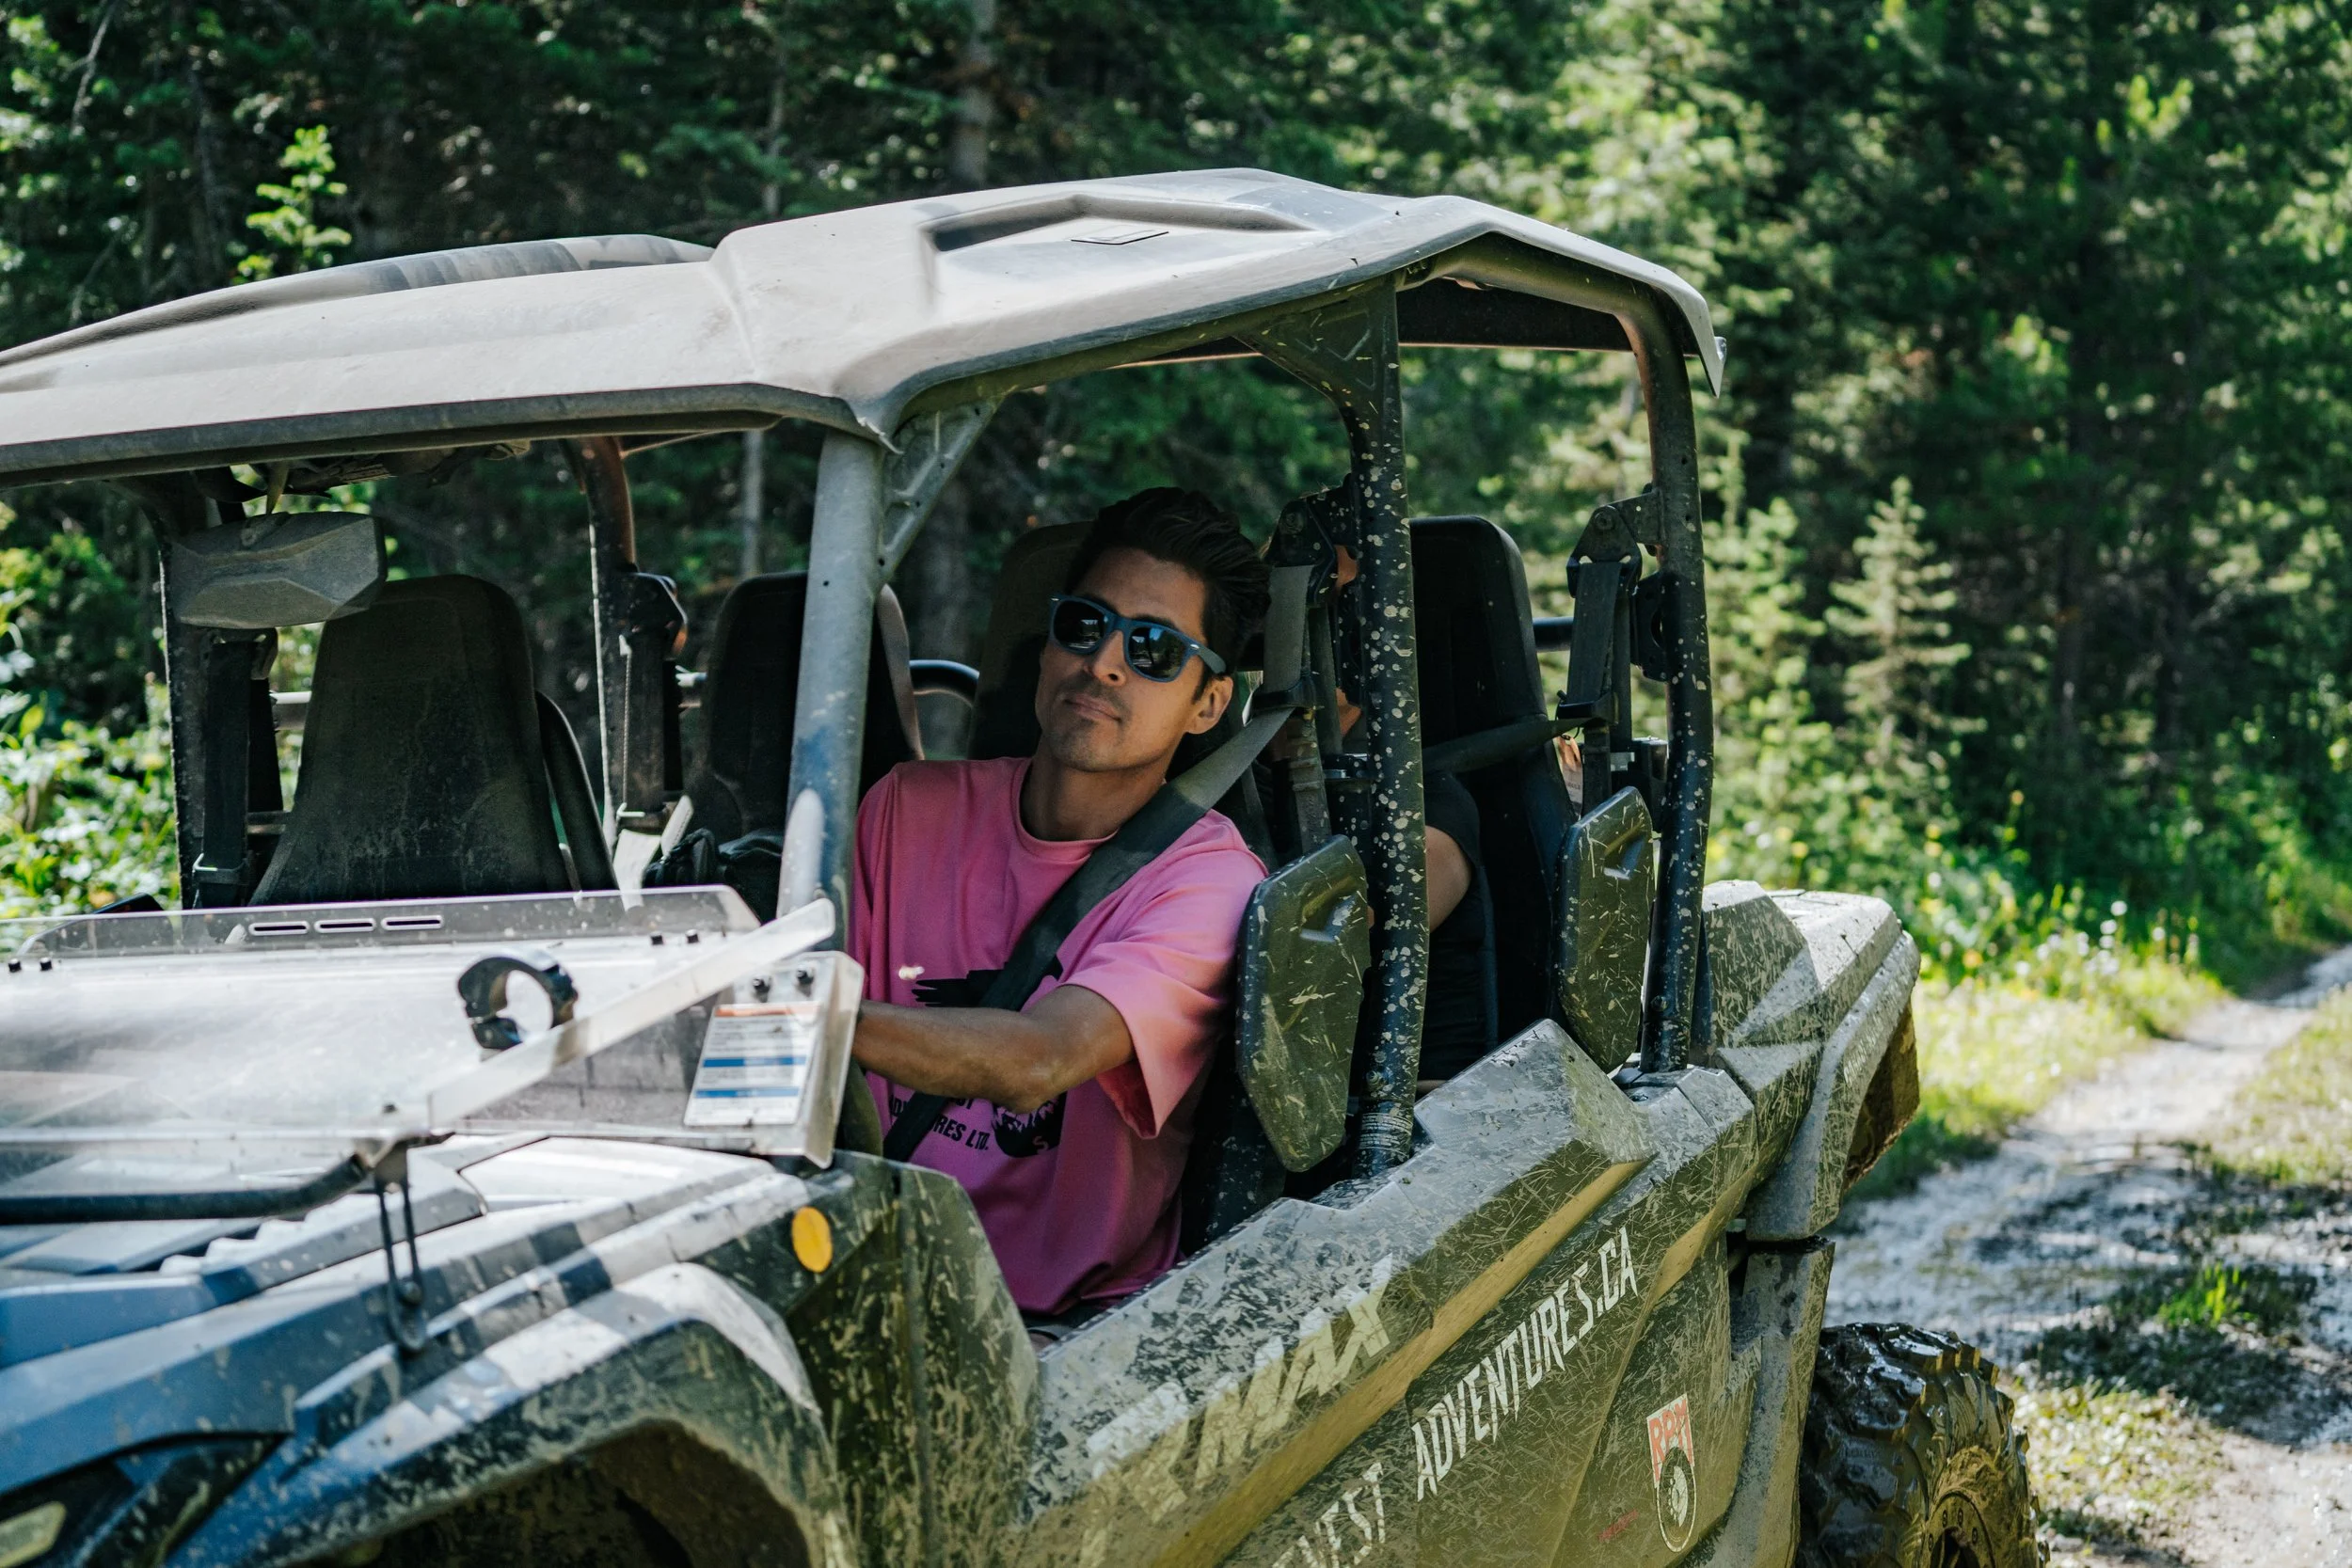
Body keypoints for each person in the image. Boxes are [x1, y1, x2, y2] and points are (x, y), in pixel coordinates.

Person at [850, 489, 1269, 1321]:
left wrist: (785, 1017)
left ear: (1207, 704)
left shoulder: (1211, 883)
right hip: (870, 1276)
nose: (1107, 662)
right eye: (1086, 625)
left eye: (1153, 649)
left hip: (1061, 1330)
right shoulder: (906, 808)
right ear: (1046, 648)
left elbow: (1040, 1057)